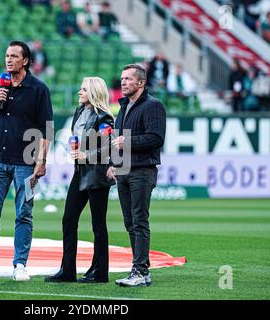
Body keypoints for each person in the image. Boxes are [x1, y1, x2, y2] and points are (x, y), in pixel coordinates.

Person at [0, 40, 53, 281]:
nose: (9, 59)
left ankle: (20, 265)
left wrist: (41, 161)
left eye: (14, 56)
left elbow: (47, 128)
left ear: (25, 60)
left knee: (24, 213)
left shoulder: (38, 89)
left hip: (26, 162)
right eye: (7, 55)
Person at [45, 77, 115, 283]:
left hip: (97, 173)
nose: (79, 92)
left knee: (98, 224)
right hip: (80, 171)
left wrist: (88, 155)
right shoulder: (79, 112)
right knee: (68, 219)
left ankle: (100, 272)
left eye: (83, 89)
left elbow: (109, 146)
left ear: (93, 93)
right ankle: (67, 270)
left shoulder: (105, 118)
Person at [106, 64, 166, 287]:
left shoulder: (153, 106)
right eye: (122, 78)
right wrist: (113, 163)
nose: (123, 82)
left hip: (142, 170)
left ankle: (140, 271)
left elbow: (156, 138)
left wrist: (127, 142)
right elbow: (117, 141)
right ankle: (140, 269)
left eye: (129, 79)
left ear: (141, 83)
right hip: (124, 171)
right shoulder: (124, 106)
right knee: (130, 222)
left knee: (139, 220)